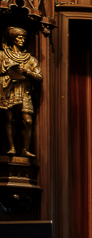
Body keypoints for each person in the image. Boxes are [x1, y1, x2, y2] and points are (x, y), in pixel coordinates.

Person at [0, 27, 42, 157]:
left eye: (24, 38)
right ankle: (12, 147)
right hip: (8, 88)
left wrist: (26, 71)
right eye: (19, 37)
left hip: (24, 91)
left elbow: (39, 77)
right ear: (12, 39)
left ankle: (25, 149)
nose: (22, 40)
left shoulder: (31, 59)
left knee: (28, 121)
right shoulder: (2, 55)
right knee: (9, 118)